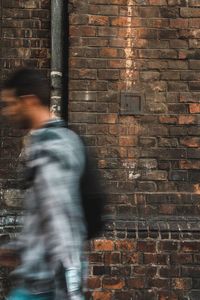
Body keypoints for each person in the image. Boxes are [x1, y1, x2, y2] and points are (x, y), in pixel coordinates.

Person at [0, 68, 87, 300]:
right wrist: (14, 250)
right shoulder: (60, 139)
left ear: (29, 101)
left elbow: (60, 218)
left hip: (45, 284)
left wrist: (72, 289)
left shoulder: (51, 148)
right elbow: (43, 218)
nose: (8, 112)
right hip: (39, 280)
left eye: (10, 104)